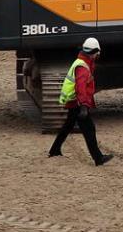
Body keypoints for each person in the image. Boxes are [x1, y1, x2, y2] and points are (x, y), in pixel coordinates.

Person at [48, 37, 113, 165]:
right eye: (97, 53)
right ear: (94, 52)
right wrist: (84, 105)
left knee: (68, 126)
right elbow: (80, 87)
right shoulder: (83, 67)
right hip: (78, 103)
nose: (97, 55)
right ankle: (98, 158)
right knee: (89, 129)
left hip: (73, 101)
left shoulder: (81, 62)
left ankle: (54, 150)